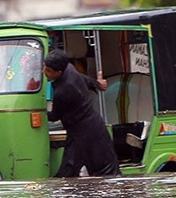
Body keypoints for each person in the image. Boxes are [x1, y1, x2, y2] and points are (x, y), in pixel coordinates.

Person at [42, 49, 119, 177]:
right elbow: (83, 78)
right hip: (91, 128)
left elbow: (55, 116)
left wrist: (37, 112)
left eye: (48, 70)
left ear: (59, 72)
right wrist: (97, 84)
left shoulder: (63, 90)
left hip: (84, 134)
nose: (44, 72)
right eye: (44, 67)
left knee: (106, 172)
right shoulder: (69, 68)